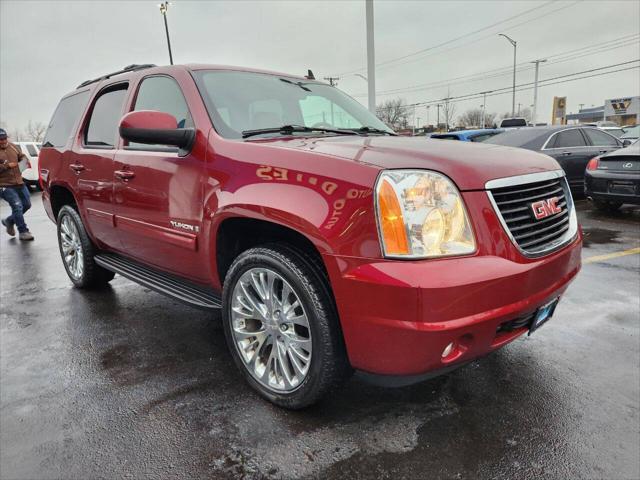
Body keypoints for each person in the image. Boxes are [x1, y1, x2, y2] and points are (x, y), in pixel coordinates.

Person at [0, 128, 34, 241]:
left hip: (19, 182)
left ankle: (9, 221)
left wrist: (24, 160)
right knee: (17, 206)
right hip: (5, 185)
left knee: (27, 204)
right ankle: (23, 231)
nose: (3, 141)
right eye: (0, 139)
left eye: (4, 138)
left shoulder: (13, 146)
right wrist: (7, 166)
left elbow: (22, 156)